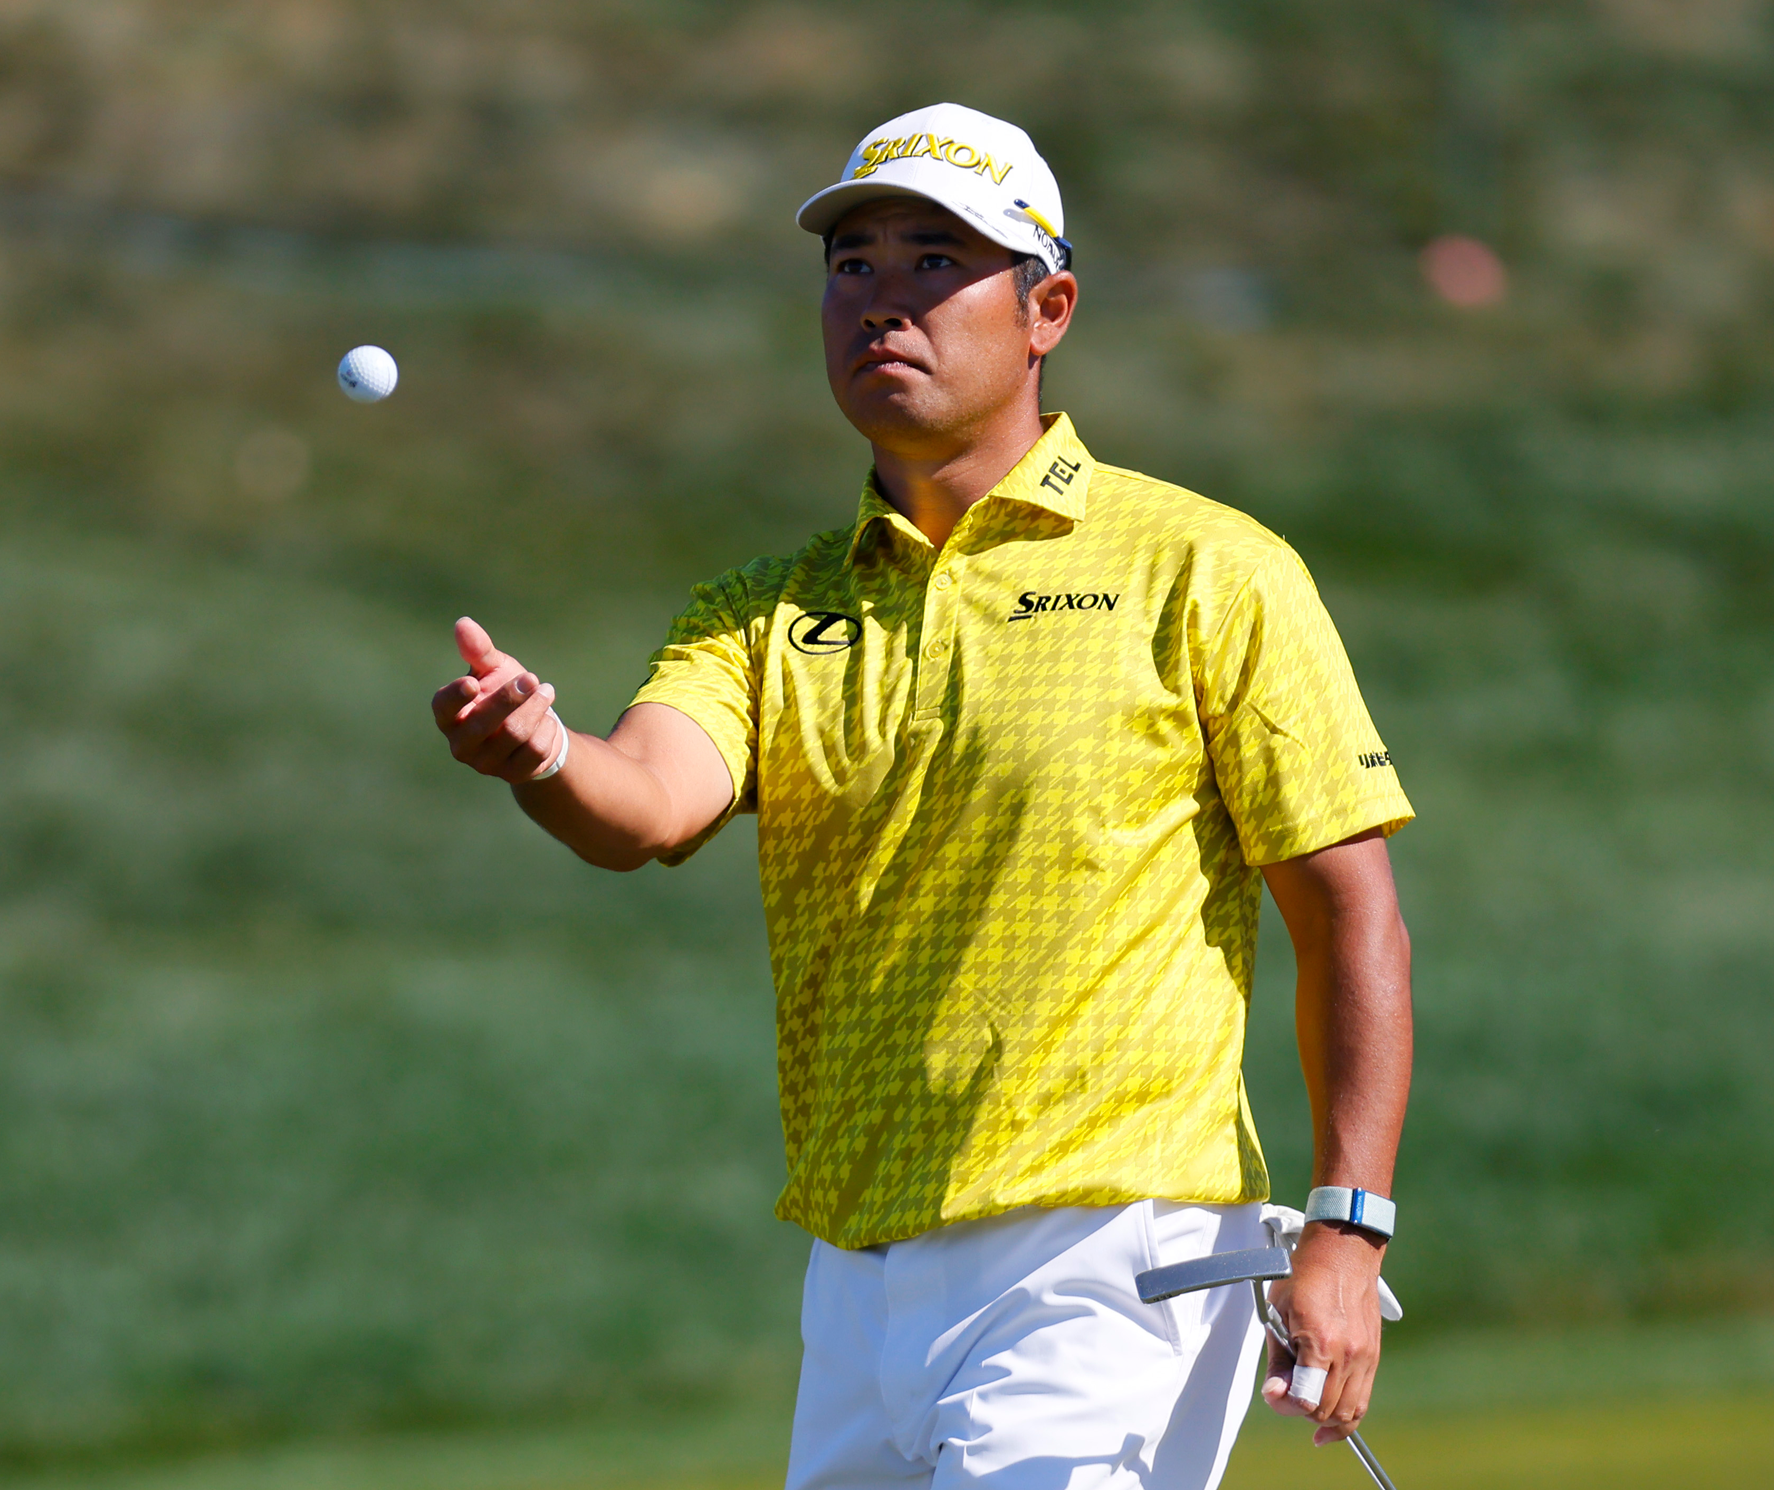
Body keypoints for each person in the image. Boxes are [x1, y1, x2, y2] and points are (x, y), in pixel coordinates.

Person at [429, 102, 1413, 1490]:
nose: (882, 301)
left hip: (1110, 1258)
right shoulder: (768, 609)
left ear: (1045, 309)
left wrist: (1348, 1224)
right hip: (859, 1278)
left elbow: (1350, 908)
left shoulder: (1205, 567)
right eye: (853, 266)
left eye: (934, 264)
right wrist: (541, 752)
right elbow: (645, 802)